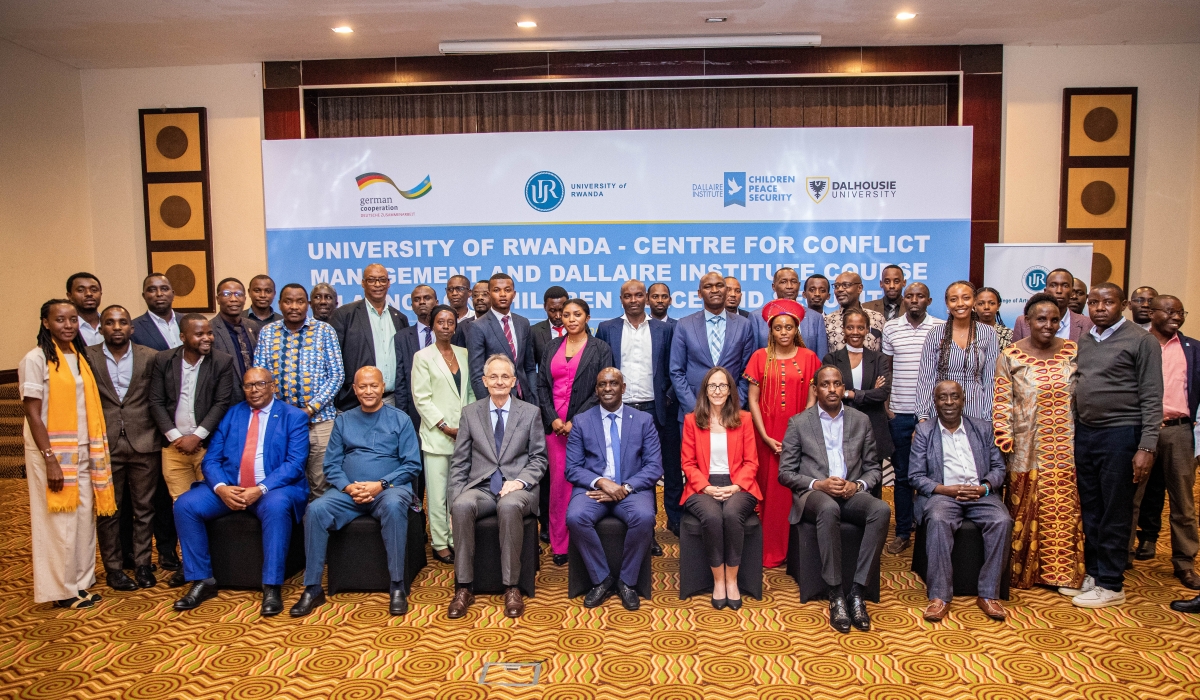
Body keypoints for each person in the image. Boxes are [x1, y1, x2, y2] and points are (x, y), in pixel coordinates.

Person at [171, 368, 309, 615]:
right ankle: (202, 579)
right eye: (248, 385)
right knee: (185, 505)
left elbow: (295, 463)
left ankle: (271, 585)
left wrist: (261, 488)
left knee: (277, 507)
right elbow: (211, 460)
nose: (254, 390)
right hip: (231, 487)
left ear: (273, 386)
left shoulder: (293, 416)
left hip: (271, 489)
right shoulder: (232, 414)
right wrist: (222, 488)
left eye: (260, 384)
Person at [289, 366, 422, 617]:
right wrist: (350, 487)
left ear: (383, 387)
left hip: (389, 490)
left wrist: (380, 484)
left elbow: (412, 465)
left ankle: (397, 586)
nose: (368, 391)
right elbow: (331, 465)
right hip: (349, 492)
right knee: (315, 510)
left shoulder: (401, 419)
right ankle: (312, 587)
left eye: (374, 385)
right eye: (363, 386)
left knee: (394, 506)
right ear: (355, 389)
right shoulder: (343, 420)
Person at [20, 299, 117, 608]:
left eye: (73, 319)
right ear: (46, 323)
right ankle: (61, 590)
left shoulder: (79, 356)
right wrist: (50, 459)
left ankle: (80, 581)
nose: (68, 325)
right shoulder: (35, 359)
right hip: (53, 452)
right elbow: (33, 413)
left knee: (83, 519)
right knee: (59, 522)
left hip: (85, 448)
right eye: (60, 319)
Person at [1070, 283, 1162, 608]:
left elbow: (1152, 395)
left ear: (1123, 305)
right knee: (1092, 508)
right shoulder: (1086, 339)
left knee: (1115, 509)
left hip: (1122, 434)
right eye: (1094, 302)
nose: (1099, 308)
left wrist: (1147, 447)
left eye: (1107, 302)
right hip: (1087, 433)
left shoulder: (1142, 340)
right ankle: (1095, 573)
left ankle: (1111, 583)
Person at [778, 366, 889, 633]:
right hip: (814, 495)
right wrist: (819, 484)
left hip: (851, 493)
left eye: (837, 384)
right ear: (815, 389)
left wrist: (857, 485)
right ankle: (836, 593)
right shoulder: (799, 423)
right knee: (828, 508)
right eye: (825, 384)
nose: (831, 389)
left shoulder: (860, 420)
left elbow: (874, 469)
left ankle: (857, 592)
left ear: (843, 388)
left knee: (882, 510)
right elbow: (785, 473)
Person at [992, 292, 1084, 594]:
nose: (1048, 325)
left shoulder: (1072, 351)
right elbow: (1002, 401)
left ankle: (1064, 574)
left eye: (1054, 320)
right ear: (1028, 321)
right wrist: (1004, 438)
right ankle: (1025, 574)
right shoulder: (1011, 356)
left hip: (1065, 447)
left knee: (1064, 511)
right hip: (1025, 448)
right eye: (1041, 319)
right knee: (1026, 510)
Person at [448, 354, 548, 619]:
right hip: (481, 487)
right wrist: (453, 503)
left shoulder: (530, 413)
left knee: (509, 506)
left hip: (518, 488)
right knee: (461, 506)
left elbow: (539, 458)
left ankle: (511, 587)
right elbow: (460, 462)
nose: (499, 381)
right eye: (493, 376)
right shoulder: (470, 413)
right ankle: (464, 587)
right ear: (484, 381)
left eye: (505, 376)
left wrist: (519, 482)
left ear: (514, 381)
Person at [911, 380, 1013, 622]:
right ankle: (939, 596)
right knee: (938, 520)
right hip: (943, 495)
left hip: (979, 494)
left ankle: (988, 595)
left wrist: (984, 487)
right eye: (943, 397)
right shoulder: (924, 432)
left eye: (954, 397)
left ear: (963, 400)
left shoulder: (982, 428)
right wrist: (945, 490)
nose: (949, 402)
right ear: (935, 402)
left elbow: (999, 468)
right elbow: (915, 476)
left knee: (1002, 521)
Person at [148, 314, 236, 587]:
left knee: (211, 505)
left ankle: (216, 563)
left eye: (209, 333)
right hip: (173, 449)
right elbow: (155, 402)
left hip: (207, 448)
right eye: (199, 334)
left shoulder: (222, 361)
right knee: (182, 508)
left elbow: (221, 403)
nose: (207, 338)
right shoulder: (163, 360)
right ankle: (191, 566)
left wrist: (197, 436)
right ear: (183, 337)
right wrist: (176, 437)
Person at [565, 368, 663, 610]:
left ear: (623, 388)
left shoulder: (643, 420)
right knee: (575, 517)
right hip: (594, 491)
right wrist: (602, 482)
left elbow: (654, 466)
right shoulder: (581, 421)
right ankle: (602, 578)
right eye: (602, 384)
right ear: (596, 390)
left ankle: (627, 581)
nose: (607, 388)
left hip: (631, 490)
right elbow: (572, 468)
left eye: (613, 383)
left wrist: (626, 487)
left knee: (644, 517)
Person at [597, 280, 681, 537]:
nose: (633, 300)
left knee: (669, 467)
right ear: (620, 299)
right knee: (632, 470)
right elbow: (601, 367)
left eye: (638, 295)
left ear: (646, 298)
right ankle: (646, 530)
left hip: (657, 409)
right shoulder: (607, 328)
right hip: (621, 410)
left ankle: (675, 522)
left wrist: (667, 398)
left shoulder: (664, 329)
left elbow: (674, 366)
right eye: (627, 296)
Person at [86, 306, 161, 591]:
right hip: (105, 444)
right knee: (108, 510)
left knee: (144, 508)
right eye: (110, 322)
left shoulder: (149, 356)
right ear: (101, 328)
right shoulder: (87, 357)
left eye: (122, 322)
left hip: (144, 441)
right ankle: (114, 569)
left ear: (132, 327)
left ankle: (142, 564)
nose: (116, 327)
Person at [1129, 295, 1200, 589]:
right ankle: (1121, 557)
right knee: (1130, 496)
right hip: (1140, 429)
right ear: (1152, 312)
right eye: (1169, 311)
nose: (1176, 317)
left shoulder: (1193, 349)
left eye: (1180, 312)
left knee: (1183, 502)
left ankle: (1185, 563)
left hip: (1178, 431)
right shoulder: (1137, 343)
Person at [744, 299, 820, 568]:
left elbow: (812, 399)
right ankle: (768, 549)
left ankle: (794, 550)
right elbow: (752, 400)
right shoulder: (759, 357)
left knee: (793, 492)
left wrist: (797, 436)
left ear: (797, 329)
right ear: (771, 331)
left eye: (789, 327)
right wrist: (765, 436)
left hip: (799, 435)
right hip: (767, 436)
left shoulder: (809, 358)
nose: (784, 332)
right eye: (778, 328)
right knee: (769, 490)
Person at [537, 298, 613, 565]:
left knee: (583, 483)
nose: (571, 319)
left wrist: (575, 421)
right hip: (555, 429)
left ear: (587, 318)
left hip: (587, 425)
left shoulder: (600, 348)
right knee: (558, 487)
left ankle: (584, 542)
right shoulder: (552, 346)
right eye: (566, 315)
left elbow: (603, 389)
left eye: (577, 314)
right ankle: (560, 545)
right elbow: (542, 386)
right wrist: (552, 419)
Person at [680, 367, 762, 609]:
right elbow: (688, 463)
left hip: (739, 484)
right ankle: (718, 580)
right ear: (705, 391)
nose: (717, 391)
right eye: (712, 386)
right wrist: (706, 487)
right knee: (713, 516)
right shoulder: (692, 420)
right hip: (702, 486)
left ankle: (732, 580)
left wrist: (736, 486)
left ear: (730, 391)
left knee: (732, 514)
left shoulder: (744, 419)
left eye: (723, 386)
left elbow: (751, 462)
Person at [253, 283, 344, 499]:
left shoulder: (324, 332)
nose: (294, 306)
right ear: (280, 304)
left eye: (300, 301)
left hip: (320, 421)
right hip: (281, 421)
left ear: (308, 305)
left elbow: (337, 375)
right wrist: (288, 413)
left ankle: (317, 522)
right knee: (284, 482)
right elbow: (260, 378)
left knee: (321, 485)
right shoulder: (268, 333)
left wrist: (310, 410)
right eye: (288, 301)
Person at [881, 283, 943, 554]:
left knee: (934, 474)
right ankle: (903, 532)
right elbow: (886, 370)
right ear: (904, 300)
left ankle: (931, 529)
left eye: (920, 296)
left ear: (929, 300)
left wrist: (933, 414)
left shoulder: (940, 328)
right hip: (899, 414)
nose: (914, 300)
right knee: (903, 476)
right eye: (910, 296)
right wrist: (887, 408)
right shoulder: (891, 327)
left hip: (933, 416)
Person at [411, 305, 475, 564]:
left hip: (463, 434)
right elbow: (421, 398)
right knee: (437, 495)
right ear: (432, 325)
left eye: (450, 322)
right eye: (440, 322)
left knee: (458, 492)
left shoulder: (464, 353)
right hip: (438, 436)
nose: (446, 326)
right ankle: (440, 543)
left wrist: (467, 425)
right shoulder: (422, 357)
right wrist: (444, 426)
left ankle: (455, 537)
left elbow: (470, 392)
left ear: (456, 326)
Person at [669, 272, 758, 418]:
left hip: (732, 412)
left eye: (719, 286)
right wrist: (694, 408)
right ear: (699, 294)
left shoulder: (744, 325)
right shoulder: (684, 325)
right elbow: (676, 371)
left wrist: (735, 405)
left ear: (726, 290)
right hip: (694, 411)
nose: (715, 290)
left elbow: (747, 371)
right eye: (708, 286)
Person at [914, 281, 999, 424]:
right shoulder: (935, 334)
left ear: (974, 301)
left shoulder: (988, 333)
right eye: (953, 299)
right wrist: (923, 416)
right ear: (947, 304)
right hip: (942, 407)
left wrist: (988, 418)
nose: (960, 304)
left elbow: (991, 379)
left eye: (966, 298)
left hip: (976, 408)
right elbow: (926, 378)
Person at [328, 263, 409, 411]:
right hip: (354, 402)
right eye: (372, 280)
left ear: (388, 283)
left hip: (392, 401)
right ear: (363, 283)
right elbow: (332, 359)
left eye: (382, 280)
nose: (378, 284)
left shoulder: (399, 318)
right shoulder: (344, 315)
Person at [823, 309, 894, 463]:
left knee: (873, 475)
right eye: (850, 327)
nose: (855, 332)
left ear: (867, 330)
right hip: (841, 427)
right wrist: (870, 392)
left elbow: (882, 393)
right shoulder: (831, 359)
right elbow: (830, 394)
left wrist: (849, 394)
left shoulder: (879, 359)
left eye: (860, 327)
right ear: (843, 329)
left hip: (873, 428)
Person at [466, 273, 538, 404]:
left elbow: (530, 367)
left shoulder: (523, 323)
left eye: (507, 290)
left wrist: (534, 400)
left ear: (514, 294)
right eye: (497, 290)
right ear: (489, 294)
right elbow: (477, 375)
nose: (503, 294)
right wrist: (488, 406)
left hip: (524, 399)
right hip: (495, 399)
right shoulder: (477, 326)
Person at [396, 284, 440, 439]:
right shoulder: (401, 337)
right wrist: (402, 415)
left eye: (427, 298)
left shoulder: (450, 333)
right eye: (417, 299)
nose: (422, 302)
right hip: (414, 409)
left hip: (444, 407)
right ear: (412, 305)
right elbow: (401, 379)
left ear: (436, 302)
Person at [1011, 269, 1093, 342]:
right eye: (1053, 285)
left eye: (1065, 286)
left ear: (1072, 292)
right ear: (1045, 291)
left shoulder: (1087, 323)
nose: (1059, 291)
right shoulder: (1022, 321)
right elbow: (1015, 352)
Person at [210, 278, 260, 381]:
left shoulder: (252, 326)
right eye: (227, 294)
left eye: (239, 294)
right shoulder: (210, 329)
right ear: (218, 299)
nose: (233, 299)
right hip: (226, 389)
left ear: (244, 299)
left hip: (253, 388)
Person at [824, 272, 886, 353]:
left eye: (846, 285)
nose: (840, 289)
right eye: (836, 286)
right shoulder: (827, 320)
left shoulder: (877, 318)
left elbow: (886, 353)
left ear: (859, 288)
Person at [774, 268, 826, 358]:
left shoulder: (815, 318)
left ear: (799, 285)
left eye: (793, 282)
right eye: (783, 282)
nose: (789, 286)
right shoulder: (757, 318)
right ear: (774, 286)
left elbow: (822, 357)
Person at [131, 273, 182, 352]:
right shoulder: (134, 329)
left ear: (173, 294)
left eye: (164, 289)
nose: (159, 294)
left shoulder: (187, 321)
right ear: (144, 296)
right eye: (152, 290)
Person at [531, 286, 571, 375]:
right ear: (545, 307)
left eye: (561, 310)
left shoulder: (579, 328)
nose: (558, 316)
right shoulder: (534, 332)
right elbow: (530, 368)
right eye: (552, 310)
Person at [66, 272, 103, 346]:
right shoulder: (66, 328)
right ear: (69, 296)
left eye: (94, 290)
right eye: (81, 290)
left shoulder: (112, 325)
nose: (89, 294)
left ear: (100, 294)